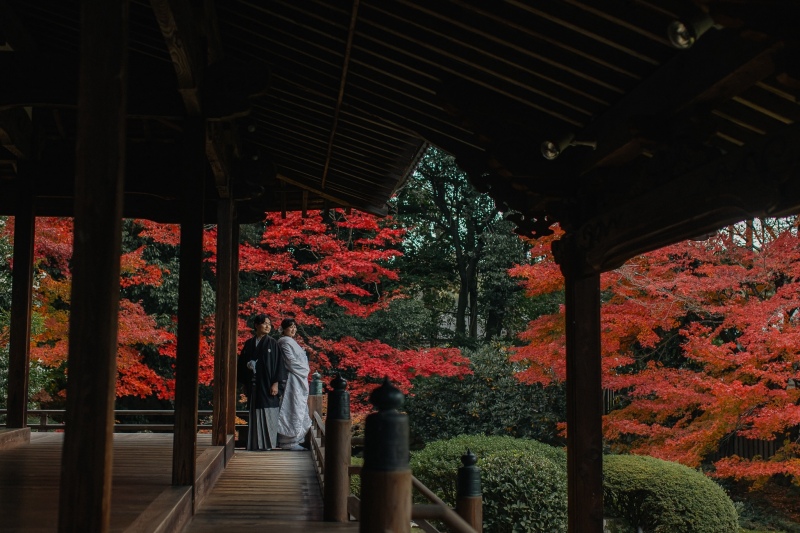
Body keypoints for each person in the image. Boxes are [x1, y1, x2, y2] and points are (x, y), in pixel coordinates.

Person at [238, 313, 285, 451]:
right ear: (256, 325)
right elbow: (241, 365)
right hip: (254, 384)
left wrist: (276, 383)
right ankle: (254, 444)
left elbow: (279, 364)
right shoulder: (249, 344)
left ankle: (268, 444)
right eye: (265, 323)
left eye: (269, 324)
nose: (268, 326)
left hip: (268, 384)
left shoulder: (273, 343)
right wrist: (245, 381)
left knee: (269, 411)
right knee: (254, 412)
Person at [276, 317, 312, 451]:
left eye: (294, 327)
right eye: (290, 327)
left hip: (298, 379)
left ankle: (295, 440)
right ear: (284, 329)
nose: (293, 329)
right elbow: (290, 362)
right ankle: (287, 441)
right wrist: (306, 369)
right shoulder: (284, 342)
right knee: (291, 407)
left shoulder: (291, 342)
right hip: (292, 379)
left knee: (299, 407)